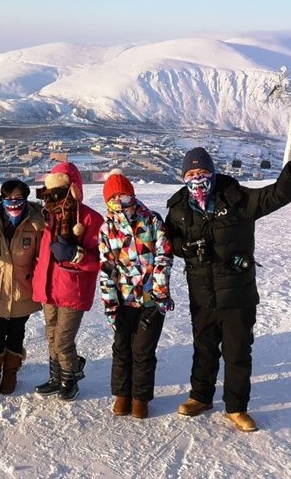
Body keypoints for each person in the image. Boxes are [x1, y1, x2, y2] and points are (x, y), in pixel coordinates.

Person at [166, 147, 291, 432]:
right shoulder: (180, 208)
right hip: (201, 293)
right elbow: (168, 239)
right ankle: (200, 396)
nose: (197, 178)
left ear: (212, 172)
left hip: (237, 293)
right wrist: (182, 247)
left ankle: (236, 408)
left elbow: (277, 194)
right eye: (191, 174)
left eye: (202, 172)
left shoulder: (238, 199)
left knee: (237, 351)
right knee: (204, 348)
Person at [98, 169, 173, 419]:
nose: (121, 204)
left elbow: (164, 254)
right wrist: (110, 305)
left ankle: (140, 398)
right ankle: (122, 395)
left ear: (133, 196)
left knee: (143, 351)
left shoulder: (151, 221)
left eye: (125, 198)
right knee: (121, 348)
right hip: (123, 301)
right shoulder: (106, 229)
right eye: (114, 199)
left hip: (152, 300)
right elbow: (106, 268)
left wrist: (160, 290)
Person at [32, 161, 103, 401]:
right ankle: (56, 378)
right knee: (51, 336)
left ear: (73, 188)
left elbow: (102, 259)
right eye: (51, 191)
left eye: (60, 191)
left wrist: (76, 255)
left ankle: (71, 376)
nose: (54, 196)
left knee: (63, 339)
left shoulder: (90, 219)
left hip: (73, 289)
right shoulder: (47, 216)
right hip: (48, 286)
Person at [0, 179, 44, 397]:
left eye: (18, 198)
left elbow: (41, 259)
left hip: (23, 287)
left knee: (16, 333)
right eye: (9, 197)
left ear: (26, 198)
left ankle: (10, 373)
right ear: (2, 198)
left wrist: (42, 286)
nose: (14, 202)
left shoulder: (36, 224)